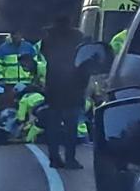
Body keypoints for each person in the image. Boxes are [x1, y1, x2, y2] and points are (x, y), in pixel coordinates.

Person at [40, 15, 88, 170]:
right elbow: (84, 61)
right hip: (73, 88)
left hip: (53, 87)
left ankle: (54, 158)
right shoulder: (78, 39)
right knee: (71, 127)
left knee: (53, 126)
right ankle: (70, 159)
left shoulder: (48, 39)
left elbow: (45, 56)